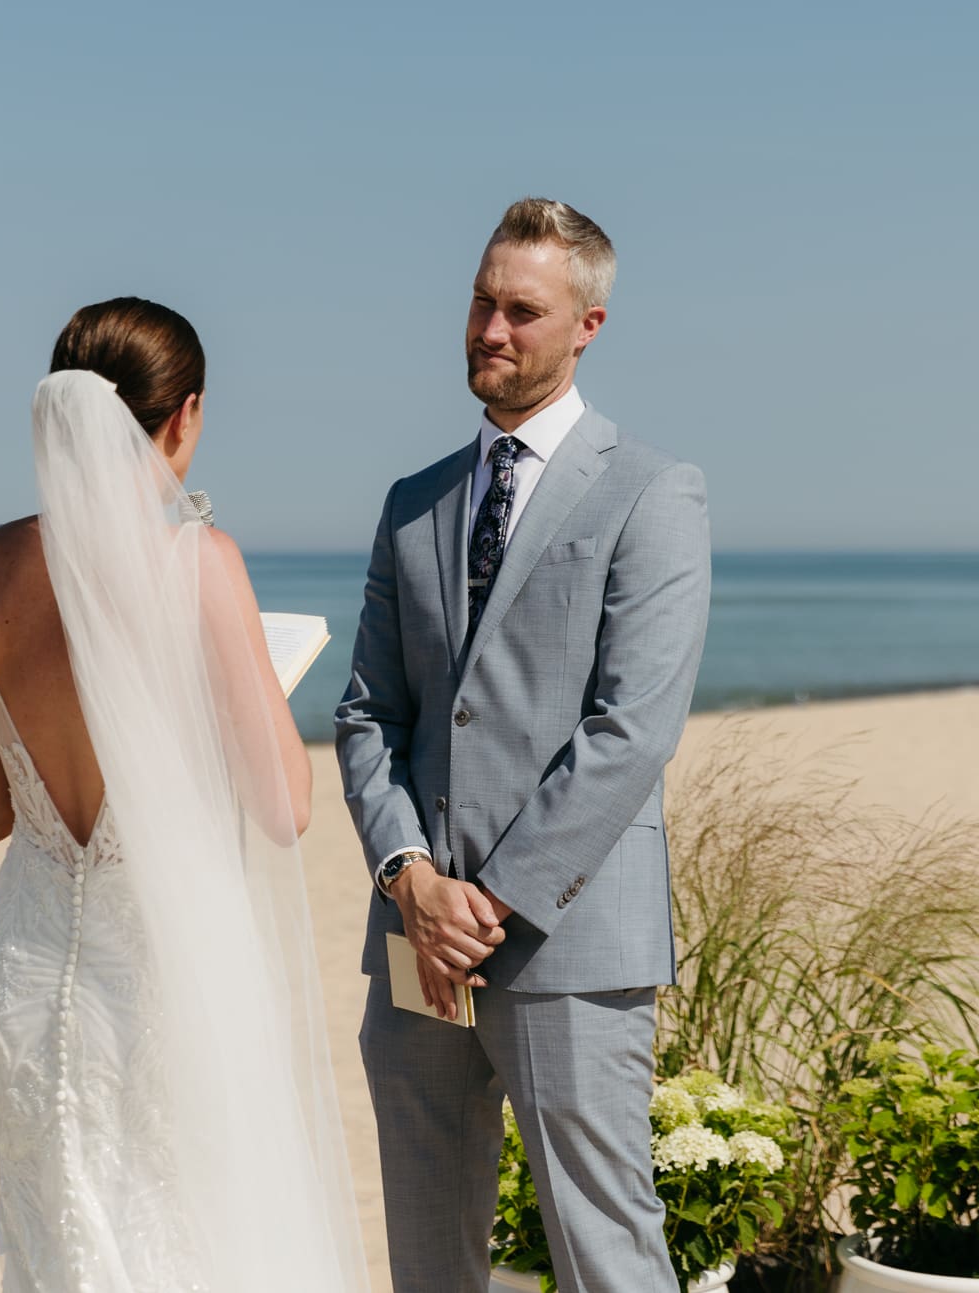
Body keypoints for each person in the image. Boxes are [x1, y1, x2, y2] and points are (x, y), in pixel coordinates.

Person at [0, 297, 368, 1293]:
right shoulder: (196, 560)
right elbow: (283, 805)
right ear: (182, 416)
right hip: (164, 961)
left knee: (62, 1229)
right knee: (190, 1229)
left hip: (29, 961)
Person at [336, 199, 713, 1293]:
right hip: (417, 944)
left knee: (604, 1252)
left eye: (521, 310)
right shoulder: (413, 505)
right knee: (427, 1254)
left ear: (586, 324)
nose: (489, 329)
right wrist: (409, 879)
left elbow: (632, 726)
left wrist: (486, 902)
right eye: (479, 301)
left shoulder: (653, 491)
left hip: (568, 942)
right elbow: (371, 711)